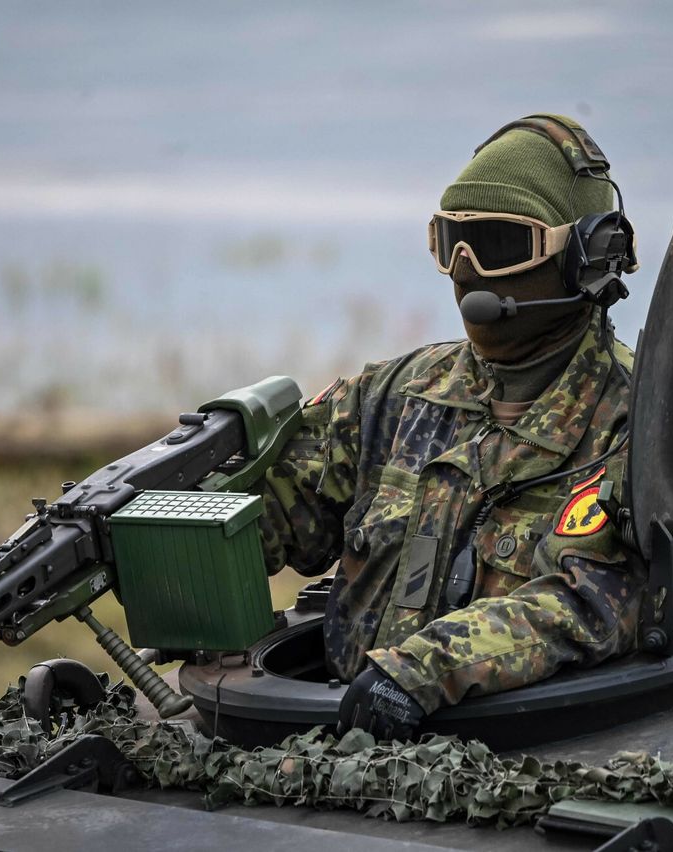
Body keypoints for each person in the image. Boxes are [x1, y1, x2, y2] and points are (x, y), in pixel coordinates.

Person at [254, 114, 645, 740]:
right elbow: (274, 521)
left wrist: (423, 670)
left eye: (497, 246)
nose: (466, 270)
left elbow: (596, 602)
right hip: (350, 742)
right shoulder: (392, 395)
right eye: (450, 243)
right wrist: (165, 532)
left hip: (522, 757)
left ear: (586, 257)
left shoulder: (636, 420)